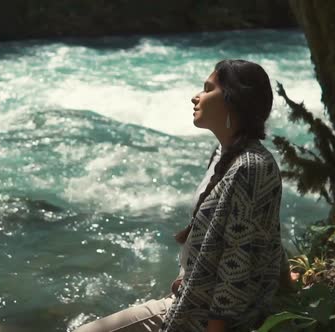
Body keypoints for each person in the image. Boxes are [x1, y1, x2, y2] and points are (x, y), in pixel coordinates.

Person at [73, 59, 297, 332]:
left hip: (202, 315)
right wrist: (287, 283)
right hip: (191, 296)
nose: (196, 96)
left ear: (232, 100)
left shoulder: (250, 166)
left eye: (207, 89)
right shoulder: (224, 155)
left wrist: (217, 327)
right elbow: (267, 231)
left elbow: (237, 259)